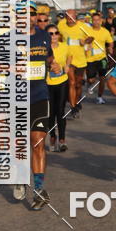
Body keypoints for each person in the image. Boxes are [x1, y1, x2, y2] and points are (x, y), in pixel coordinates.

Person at [0, 2, 53, 208]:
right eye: (23, 15)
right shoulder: (6, 39)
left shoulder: (44, 36)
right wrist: (10, 67)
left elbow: (48, 57)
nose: (28, 18)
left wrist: (53, 63)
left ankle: (39, 189)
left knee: (38, 143)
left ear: (35, 17)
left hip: (40, 96)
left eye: (31, 14)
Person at [57, 9, 90, 117]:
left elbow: (91, 37)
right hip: (67, 59)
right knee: (71, 82)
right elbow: (59, 36)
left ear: (76, 17)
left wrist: (85, 41)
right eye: (68, 18)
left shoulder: (83, 26)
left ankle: (77, 101)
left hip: (80, 59)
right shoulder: (61, 25)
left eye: (72, 18)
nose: (70, 21)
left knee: (78, 84)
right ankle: (73, 107)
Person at [46, 23, 72, 152]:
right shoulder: (44, 48)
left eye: (56, 33)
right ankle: (52, 137)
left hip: (62, 82)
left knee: (60, 111)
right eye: (51, 33)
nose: (54, 36)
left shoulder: (64, 46)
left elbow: (70, 55)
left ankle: (62, 140)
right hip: (47, 83)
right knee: (51, 112)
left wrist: (67, 66)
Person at [84, 11, 114, 104]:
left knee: (102, 78)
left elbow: (110, 42)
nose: (96, 22)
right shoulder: (88, 31)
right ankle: (90, 84)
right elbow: (84, 42)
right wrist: (86, 44)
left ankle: (100, 97)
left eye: (98, 20)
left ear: (101, 21)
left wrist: (110, 47)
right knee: (91, 79)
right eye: (94, 20)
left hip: (102, 58)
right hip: (90, 59)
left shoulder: (105, 31)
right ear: (92, 21)